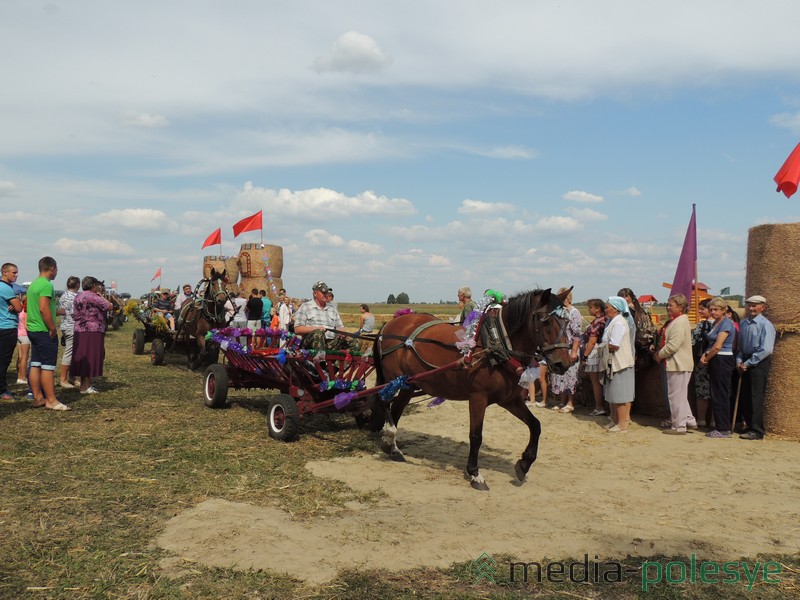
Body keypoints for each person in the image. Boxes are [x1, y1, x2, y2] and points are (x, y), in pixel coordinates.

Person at [27, 256, 68, 410]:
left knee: (36, 364)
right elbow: (43, 309)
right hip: (44, 330)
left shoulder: (33, 285)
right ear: (52, 268)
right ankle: (51, 400)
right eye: (56, 269)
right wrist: (52, 328)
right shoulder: (46, 285)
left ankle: (38, 397)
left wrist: (57, 311)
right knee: (48, 366)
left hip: (33, 329)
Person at [653, 294, 696, 435]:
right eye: (668, 304)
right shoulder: (679, 321)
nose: (668, 307)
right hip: (679, 363)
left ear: (680, 307)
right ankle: (689, 420)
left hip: (678, 364)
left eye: (671, 305)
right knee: (680, 395)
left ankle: (679, 426)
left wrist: (659, 354)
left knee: (675, 396)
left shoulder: (680, 322)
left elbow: (672, 346)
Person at [736, 295, 775, 440]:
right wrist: (739, 361)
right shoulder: (743, 323)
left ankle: (757, 430)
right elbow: (740, 346)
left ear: (763, 308)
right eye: (749, 305)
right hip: (745, 360)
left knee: (755, 397)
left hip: (758, 362)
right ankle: (748, 425)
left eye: (755, 306)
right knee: (745, 396)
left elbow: (766, 350)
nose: (751, 308)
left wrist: (748, 363)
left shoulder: (766, 325)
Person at [700, 297, 737, 439]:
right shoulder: (717, 322)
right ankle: (721, 427)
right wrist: (705, 355)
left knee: (721, 394)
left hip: (722, 359)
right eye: (711, 309)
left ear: (724, 310)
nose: (713, 312)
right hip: (716, 359)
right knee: (716, 393)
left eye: (716, 309)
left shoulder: (726, 324)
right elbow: (711, 345)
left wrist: (706, 359)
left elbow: (717, 346)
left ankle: (723, 429)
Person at [70, 277, 113, 394]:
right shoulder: (94, 297)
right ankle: (85, 387)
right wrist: (101, 295)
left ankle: (84, 385)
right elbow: (109, 306)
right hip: (93, 330)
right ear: (94, 285)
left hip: (79, 329)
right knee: (90, 357)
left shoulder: (78, 296)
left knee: (84, 357)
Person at [601, 296, 635, 433]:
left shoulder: (619, 323)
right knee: (613, 394)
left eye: (607, 307)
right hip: (612, 362)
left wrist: (600, 347)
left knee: (620, 394)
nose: (606, 310)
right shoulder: (613, 321)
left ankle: (622, 425)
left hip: (620, 363)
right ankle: (615, 420)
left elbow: (614, 344)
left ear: (615, 309)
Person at [294, 281, 357, 352]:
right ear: (315, 293)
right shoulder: (305, 307)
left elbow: (340, 327)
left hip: (330, 342)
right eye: (323, 293)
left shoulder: (332, 309)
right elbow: (297, 329)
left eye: (327, 292)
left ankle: (343, 360)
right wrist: (316, 328)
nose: (326, 295)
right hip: (311, 343)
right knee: (318, 333)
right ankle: (320, 360)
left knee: (353, 339)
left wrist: (342, 333)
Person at [551, 288, 581, 413]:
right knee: (559, 376)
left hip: (569, 348)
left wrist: (574, 351)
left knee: (570, 376)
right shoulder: (558, 312)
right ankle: (562, 400)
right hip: (559, 349)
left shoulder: (574, 312)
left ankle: (570, 402)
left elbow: (577, 334)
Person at [0, 263, 24, 399]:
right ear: (4, 272)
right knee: (4, 360)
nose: (16, 275)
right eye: (14, 273)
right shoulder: (6, 288)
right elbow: (19, 307)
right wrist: (16, 304)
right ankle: (2, 390)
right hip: (7, 327)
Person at [618, 287, 656, 369]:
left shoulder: (627, 311)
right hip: (643, 345)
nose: (624, 299)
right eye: (622, 297)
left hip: (634, 344)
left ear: (631, 298)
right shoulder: (641, 309)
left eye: (626, 296)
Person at [581, 298, 608, 416]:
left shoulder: (598, 321)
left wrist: (584, 356)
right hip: (598, 350)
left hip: (594, 352)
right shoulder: (604, 319)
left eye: (590, 307)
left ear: (597, 309)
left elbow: (592, 341)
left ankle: (599, 407)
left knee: (596, 382)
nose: (588, 309)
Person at [690, 298, 713, 427]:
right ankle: (715, 421)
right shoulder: (724, 324)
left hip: (701, 362)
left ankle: (701, 419)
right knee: (716, 391)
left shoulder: (701, 326)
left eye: (702, 308)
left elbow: (692, 342)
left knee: (702, 391)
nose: (700, 311)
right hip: (717, 362)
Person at [56, 275, 80, 388]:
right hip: (73, 326)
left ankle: (71, 377)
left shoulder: (63, 295)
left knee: (73, 352)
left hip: (65, 325)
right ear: (78, 285)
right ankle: (63, 378)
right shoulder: (76, 297)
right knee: (70, 352)